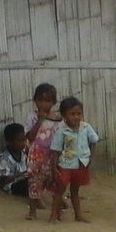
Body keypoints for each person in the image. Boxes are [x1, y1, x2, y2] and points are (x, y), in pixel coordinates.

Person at [47, 96, 100, 224]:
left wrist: (90, 158)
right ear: (64, 115)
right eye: (72, 114)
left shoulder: (86, 128)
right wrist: (54, 167)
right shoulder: (62, 132)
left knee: (75, 191)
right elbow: (55, 151)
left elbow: (93, 141)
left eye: (78, 114)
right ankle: (53, 215)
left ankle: (78, 215)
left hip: (81, 164)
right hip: (65, 165)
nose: (76, 117)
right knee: (60, 190)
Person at [23, 83, 61, 220]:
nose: (43, 104)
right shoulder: (32, 117)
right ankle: (32, 212)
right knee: (34, 183)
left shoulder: (58, 119)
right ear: (35, 101)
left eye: (47, 101)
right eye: (40, 100)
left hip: (52, 157)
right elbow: (30, 136)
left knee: (56, 183)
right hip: (36, 157)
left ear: (53, 102)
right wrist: (40, 120)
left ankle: (57, 211)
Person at [0, 122, 30, 197]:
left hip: (24, 182)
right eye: (20, 140)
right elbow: (5, 180)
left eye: (24, 139)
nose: (23, 143)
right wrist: (22, 174)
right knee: (30, 182)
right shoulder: (5, 158)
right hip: (11, 186)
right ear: (10, 142)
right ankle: (40, 204)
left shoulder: (23, 154)